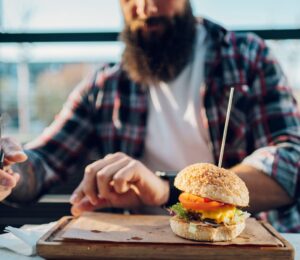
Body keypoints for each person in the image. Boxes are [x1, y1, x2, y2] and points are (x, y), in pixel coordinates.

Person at [0, 0, 300, 233]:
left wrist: (165, 189)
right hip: (143, 243)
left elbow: (288, 164)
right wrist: (8, 168)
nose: (145, 8)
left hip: (246, 243)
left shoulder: (247, 58)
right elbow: (42, 162)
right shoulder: (105, 86)